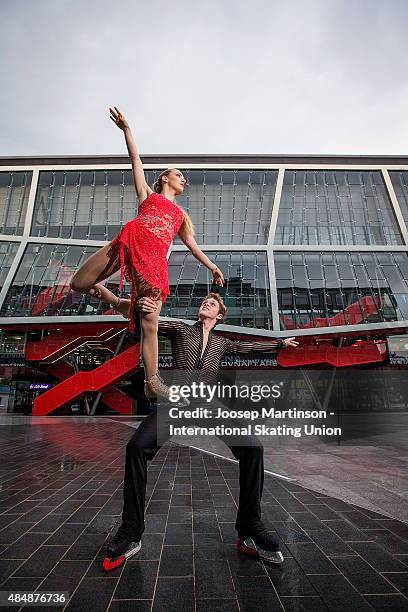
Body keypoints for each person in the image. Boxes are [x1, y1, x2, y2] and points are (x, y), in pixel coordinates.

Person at [94, 286, 298, 569]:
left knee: (253, 448)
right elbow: (146, 318)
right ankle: (130, 530)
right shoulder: (181, 330)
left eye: (212, 303)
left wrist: (279, 344)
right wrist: (112, 298)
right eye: (205, 301)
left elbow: (249, 347)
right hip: (175, 403)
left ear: (220, 315)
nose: (207, 304)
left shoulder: (222, 343)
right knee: (136, 447)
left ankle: (250, 526)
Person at [69, 107, 224, 404]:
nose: (183, 179)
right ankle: (115, 300)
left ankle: (152, 382)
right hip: (127, 244)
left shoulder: (179, 214)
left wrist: (212, 266)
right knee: (79, 283)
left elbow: (192, 245)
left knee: (150, 321)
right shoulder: (148, 197)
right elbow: (135, 161)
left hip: (153, 264)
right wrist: (128, 130)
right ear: (165, 179)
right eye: (179, 175)